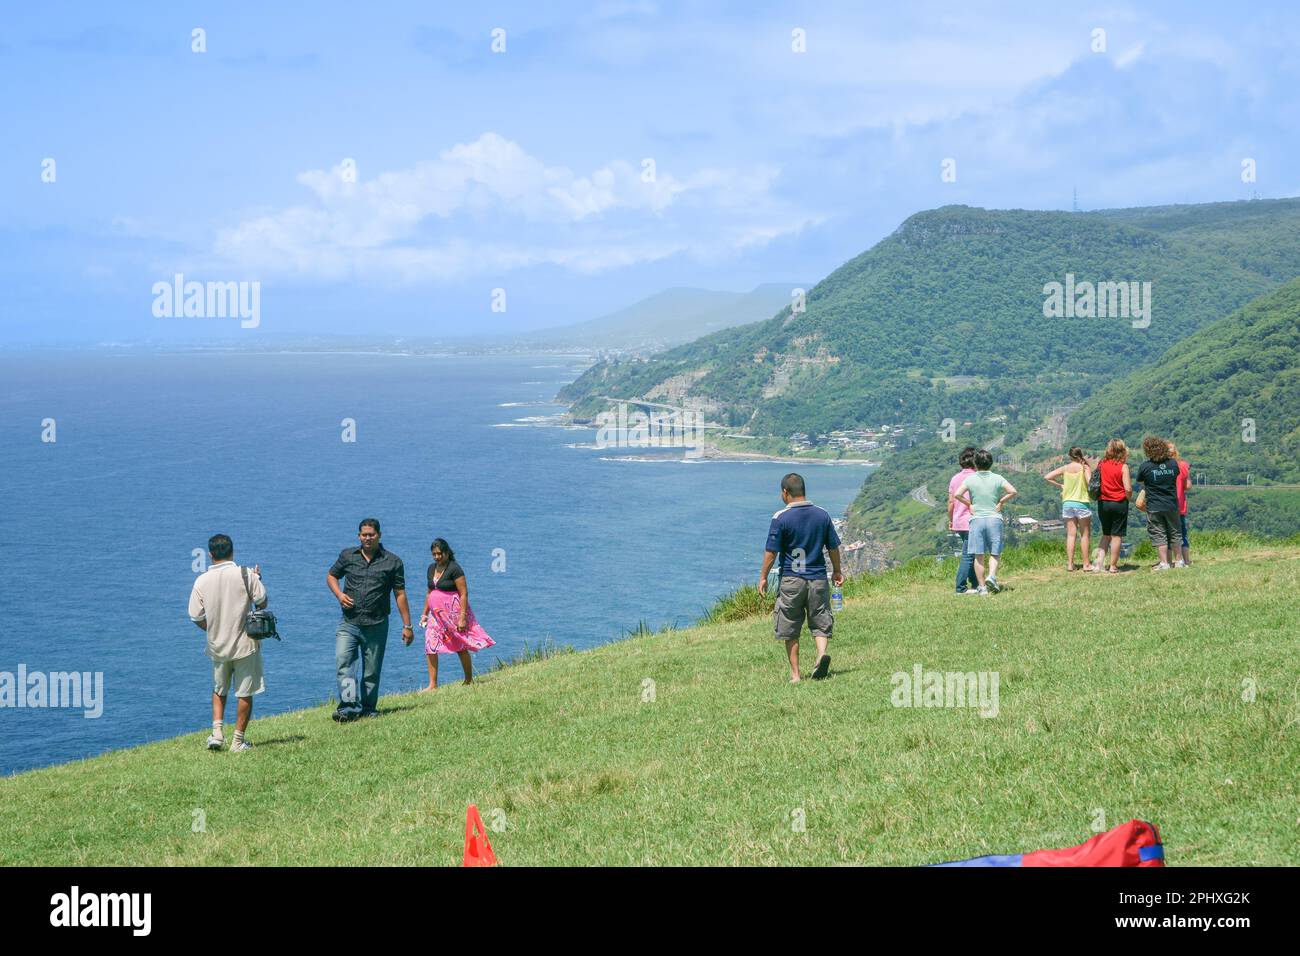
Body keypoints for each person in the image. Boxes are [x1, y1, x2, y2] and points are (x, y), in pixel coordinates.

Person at [758, 473, 843, 683]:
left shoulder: (780, 518)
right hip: (818, 578)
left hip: (791, 579)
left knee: (789, 624)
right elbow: (833, 546)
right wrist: (838, 570)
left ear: (785, 492)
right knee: (820, 618)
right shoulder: (822, 515)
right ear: (803, 490)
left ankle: (796, 675)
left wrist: (763, 577)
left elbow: (771, 552)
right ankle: (821, 655)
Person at [187, 533, 268, 753]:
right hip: (245, 644)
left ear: (210, 555)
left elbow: (195, 616)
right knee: (244, 692)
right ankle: (238, 741)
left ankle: (217, 734)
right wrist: (257, 579)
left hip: (217, 646)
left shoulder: (201, 580)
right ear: (232, 551)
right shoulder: (246, 573)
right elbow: (262, 602)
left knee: (219, 689)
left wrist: (212, 629)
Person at [327, 518, 413, 722]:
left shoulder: (393, 561)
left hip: (377, 624)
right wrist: (339, 595)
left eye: (371, 534)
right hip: (349, 623)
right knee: (344, 663)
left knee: (371, 671)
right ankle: (348, 707)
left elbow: (399, 593)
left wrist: (407, 625)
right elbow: (331, 576)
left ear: (379, 535)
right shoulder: (348, 556)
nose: (367, 538)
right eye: (364, 535)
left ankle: (368, 709)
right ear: (359, 536)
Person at [420, 538, 495, 689]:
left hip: (453, 614)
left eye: (439, 553)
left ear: (447, 553)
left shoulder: (455, 569)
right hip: (436, 616)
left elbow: (464, 594)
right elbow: (429, 592)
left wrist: (462, 618)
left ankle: (468, 680)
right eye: (434, 554)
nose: (436, 557)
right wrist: (424, 614)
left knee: (460, 645)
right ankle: (433, 685)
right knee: (430, 645)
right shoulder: (430, 568)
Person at [953, 449, 1017, 595]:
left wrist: (969, 504)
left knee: (978, 555)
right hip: (994, 518)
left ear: (976, 463)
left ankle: (982, 587)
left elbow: (957, 494)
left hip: (976, 520)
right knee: (994, 553)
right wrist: (1001, 501)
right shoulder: (997, 478)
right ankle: (992, 576)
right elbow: (1013, 491)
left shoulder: (970, 479)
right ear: (990, 463)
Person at [1043, 447, 1094, 572]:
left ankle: (1070, 564)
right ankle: (1086, 564)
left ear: (1070, 456)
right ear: (1080, 455)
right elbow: (1090, 483)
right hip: (1081, 503)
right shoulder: (1084, 468)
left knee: (1071, 535)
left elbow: (1047, 477)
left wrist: (1061, 485)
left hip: (1067, 503)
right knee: (1084, 535)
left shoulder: (1065, 468)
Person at [1135, 437, 1182, 571]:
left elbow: (1141, 482)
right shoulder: (1173, 464)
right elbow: (1175, 476)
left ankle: (1164, 563)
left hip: (1154, 505)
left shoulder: (1145, 467)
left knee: (1159, 533)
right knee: (1175, 532)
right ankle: (1179, 561)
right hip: (1171, 504)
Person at [1094, 439, 1132, 574]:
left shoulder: (1101, 464)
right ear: (1122, 451)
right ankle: (1113, 566)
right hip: (1119, 503)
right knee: (1116, 536)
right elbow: (1127, 487)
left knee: (1106, 534)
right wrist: (1129, 497)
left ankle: (1098, 564)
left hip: (1103, 503)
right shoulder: (1123, 466)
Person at [947, 446, 981, 594]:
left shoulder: (954, 478)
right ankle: (960, 587)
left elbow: (950, 503)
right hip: (972, 521)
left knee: (971, 553)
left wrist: (951, 520)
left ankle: (975, 583)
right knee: (968, 555)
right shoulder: (977, 477)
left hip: (958, 521)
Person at [1169, 442, 1192, 567]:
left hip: (1166, 505)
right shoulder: (1183, 465)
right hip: (1180, 504)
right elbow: (1188, 486)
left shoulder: (1163, 466)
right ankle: (1186, 560)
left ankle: (1169, 561)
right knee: (1182, 533)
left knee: (1168, 534)